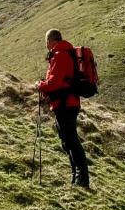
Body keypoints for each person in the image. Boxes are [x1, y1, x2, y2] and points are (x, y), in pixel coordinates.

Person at [37, 29, 90, 188]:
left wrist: (40, 85)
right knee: (67, 141)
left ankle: (82, 178)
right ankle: (76, 176)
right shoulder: (64, 54)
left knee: (71, 140)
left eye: (46, 42)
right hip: (66, 103)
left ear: (52, 41)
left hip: (66, 104)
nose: (46, 45)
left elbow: (54, 83)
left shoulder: (60, 56)